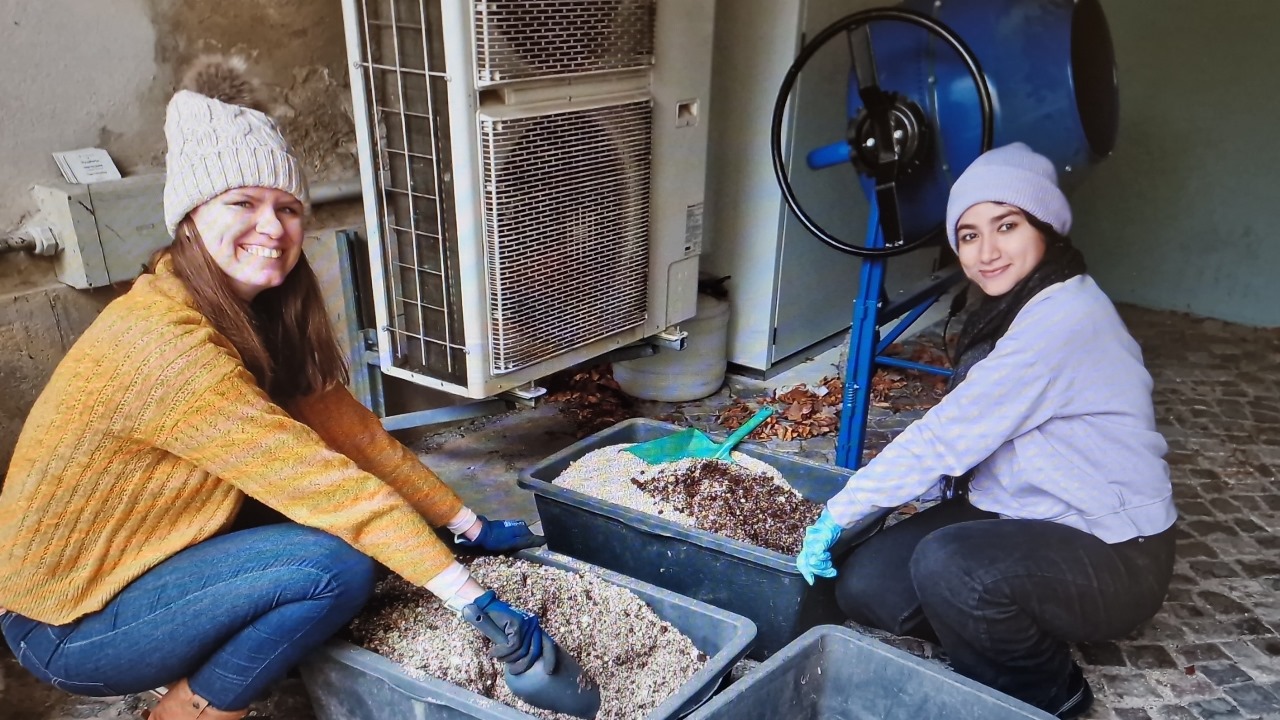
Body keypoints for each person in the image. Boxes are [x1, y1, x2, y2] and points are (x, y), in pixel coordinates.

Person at [0, 57, 552, 720]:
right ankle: (187, 710)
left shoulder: (256, 316)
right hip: (66, 622)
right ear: (190, 218)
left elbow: (356, 441)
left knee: (354, 530)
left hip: (139, 562)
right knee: (333, 565)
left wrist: (467, 523)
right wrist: (478, 603)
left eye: (288, 208)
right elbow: (325, 485)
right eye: (243, 202)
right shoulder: (167, 347)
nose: (273, 227)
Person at [795, 142, 1177, 718]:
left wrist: (839, 513)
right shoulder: (1016, 304)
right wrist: (859, 516)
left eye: (1007, 225)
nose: (988, 251)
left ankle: (1051, 691)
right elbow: (963, 443)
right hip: (1023, 509)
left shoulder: (1063, 319)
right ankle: (1007, 619)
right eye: (969, 235)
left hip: (1115, 550)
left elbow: (944, 439)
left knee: (950, 564)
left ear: (1045, 226)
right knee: (866, 586)